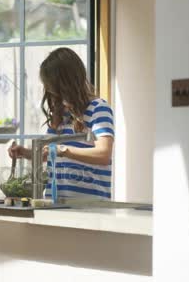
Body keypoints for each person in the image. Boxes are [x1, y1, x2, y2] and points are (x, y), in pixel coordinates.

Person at [8, 47, 114, 199]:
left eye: (54, 88)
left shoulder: (98, 108)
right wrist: (26, 153)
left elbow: (104, 154)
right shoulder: (60, 114)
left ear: (68, 83)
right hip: (54, 204)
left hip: (89, 207)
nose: (52, 93)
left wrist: (62, 149)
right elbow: (48, 153)